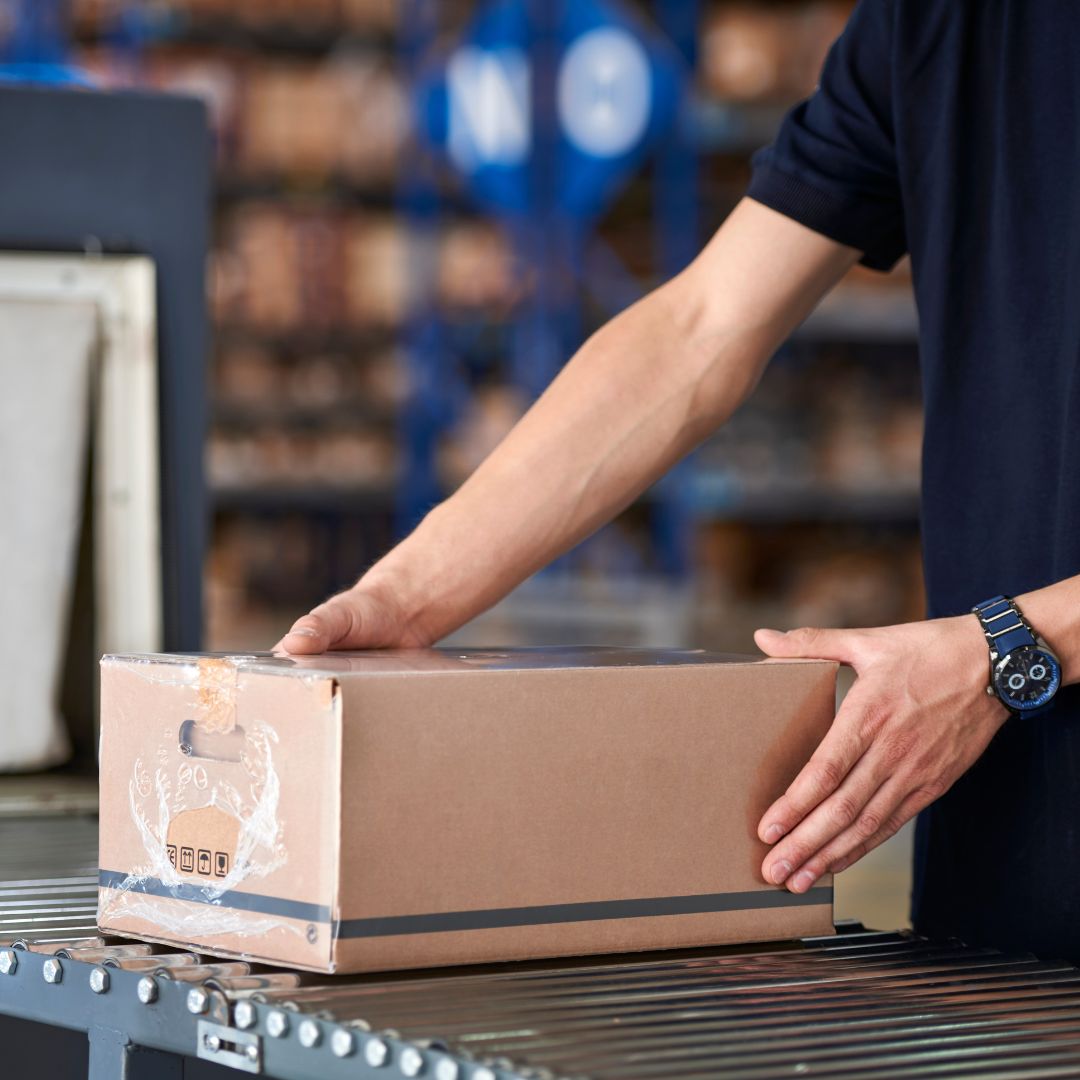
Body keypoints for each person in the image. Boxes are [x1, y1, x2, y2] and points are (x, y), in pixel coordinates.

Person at [278, 1, 1080, 962]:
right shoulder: (935, 29)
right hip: (1008, 860)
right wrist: (401, 595)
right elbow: (699, 329)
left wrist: (1013, 647)